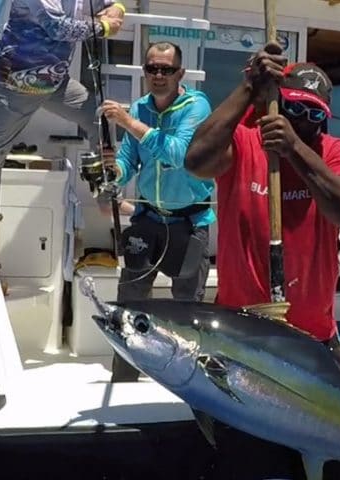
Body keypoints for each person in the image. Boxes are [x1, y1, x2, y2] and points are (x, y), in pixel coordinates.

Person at [184, 42, 340, 347]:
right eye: (294, 108)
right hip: (239, 327)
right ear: (278, 100)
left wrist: (294, 148)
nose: (303, 120)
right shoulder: (244, 142)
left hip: (311, 335)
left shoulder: (334, 152)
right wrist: (250, 86)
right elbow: (196, 162)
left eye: (314, 114)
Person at [0, 0, 126, 258]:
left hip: (55, 83)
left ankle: (105, 193)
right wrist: (103, 26)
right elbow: (57, 28)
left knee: (101, 116)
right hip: (14, 85)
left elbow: (113, 3)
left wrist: (118, 9)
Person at [97, 42, 214, 382]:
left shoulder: (196, 105)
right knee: (129, 303)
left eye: (166, 69)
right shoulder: (140, 106)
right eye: (152, 68)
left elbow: (177, 153)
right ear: (145, 71)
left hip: (188, 222)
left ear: (181, 73)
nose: (158, 75)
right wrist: (115, 172)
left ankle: (185, 382)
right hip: (147, 218)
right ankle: (123, 377)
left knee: (185, 310)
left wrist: (128, 121)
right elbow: (129, 159)